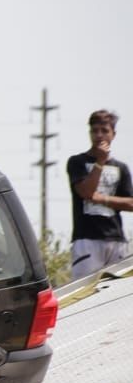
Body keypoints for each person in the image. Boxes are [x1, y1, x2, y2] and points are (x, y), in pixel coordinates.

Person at [67, 109, 133, 280]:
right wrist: (100, 162)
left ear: (113, 134)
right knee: (84, 287)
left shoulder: (121, 167)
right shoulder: (77, 162)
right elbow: (86, 192)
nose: (99, 135)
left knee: (117, 289)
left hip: (116, 239)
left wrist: (102, 198)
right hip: (87, 239)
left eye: (104, 131)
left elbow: (131, 203)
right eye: (95, 131)